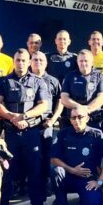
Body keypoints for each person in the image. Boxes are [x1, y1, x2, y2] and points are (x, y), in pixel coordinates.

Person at [0, 48, 49, 205]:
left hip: (31, 132)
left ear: (29, 61)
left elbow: (43, 105)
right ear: (13, 61)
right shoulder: (4, 81)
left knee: (35, 172)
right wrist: (12, 117)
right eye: (18, 60)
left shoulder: (38, 81)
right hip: (10, 134)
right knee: (6, 173)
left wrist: (24, 117)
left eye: (24, 60)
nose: (21, 63)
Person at [50, 105, 103, 205]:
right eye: (73, 118)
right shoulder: (63, 134)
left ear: (87, 118)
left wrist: (100, 181)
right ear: (70, 120)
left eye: (80, 117)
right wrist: (72, 170)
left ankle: (86, 200)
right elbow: (53, 158)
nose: (77, 120)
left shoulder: (96, 134)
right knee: (55, 171)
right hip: (68, 177)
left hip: (87, 179)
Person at [31, 51, 65, 189]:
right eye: (35, 60)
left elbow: (60, 102)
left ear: (46, 63)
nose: (38, 62)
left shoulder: (53, 81)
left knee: (46, 155)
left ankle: (46, 184)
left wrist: (53, 119)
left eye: (41, 60)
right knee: (31, 156)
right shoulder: (25, 79)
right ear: (30, 62)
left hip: (46, 124)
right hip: (29, 124)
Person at [61, 50, 103, 130]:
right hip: (73, 121)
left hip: (93, 120)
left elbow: (102, 97)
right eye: (81, 61)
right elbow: (64, 98)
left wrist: (87, 109)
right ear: (77, 62)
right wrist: (80, 109)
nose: (83, 63)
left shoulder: (99, 76)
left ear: (92, 62)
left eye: (86, 61)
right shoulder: (69, 76)